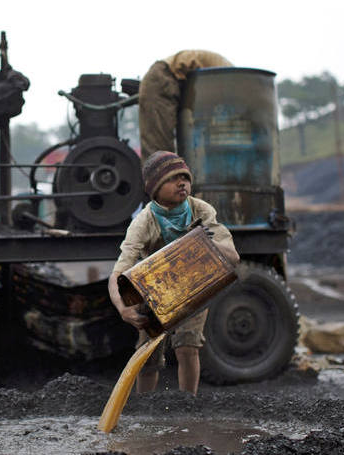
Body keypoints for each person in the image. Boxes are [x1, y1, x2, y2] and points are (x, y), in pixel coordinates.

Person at [108, 151, 239, 395]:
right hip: (155, 292)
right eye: (172, 179)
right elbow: (118, 274)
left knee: (188, 346)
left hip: (194, 287)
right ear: (155, 188)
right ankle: (145, 405)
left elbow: (233, 256)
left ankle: (188, 403)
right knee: (147, 355)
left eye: (185, 177)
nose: (181, 183)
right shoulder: (144, 222)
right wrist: (123, 308)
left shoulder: (201, 210)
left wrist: (206, 241)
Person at [139, 50, 232, 159]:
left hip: (169, 77)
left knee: (161, 149)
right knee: (158, 149)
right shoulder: (229, 76)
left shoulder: (223, 72)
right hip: (162, 77)